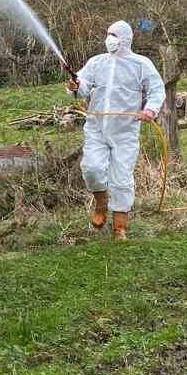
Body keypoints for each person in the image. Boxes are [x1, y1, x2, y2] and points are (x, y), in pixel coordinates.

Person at [67, 21, 165, 242]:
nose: (108, 38)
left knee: (121, 178)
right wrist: (75, 86)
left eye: (113, 35)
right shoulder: (97, 62)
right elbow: (81, 85)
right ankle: (101, 203)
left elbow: (157, 90)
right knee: (91, 168)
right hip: (96, 129)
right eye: (108, 34)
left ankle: (119, 226)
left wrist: (149, 110)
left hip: (125, 132)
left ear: (125, 38)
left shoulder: (141, 64)